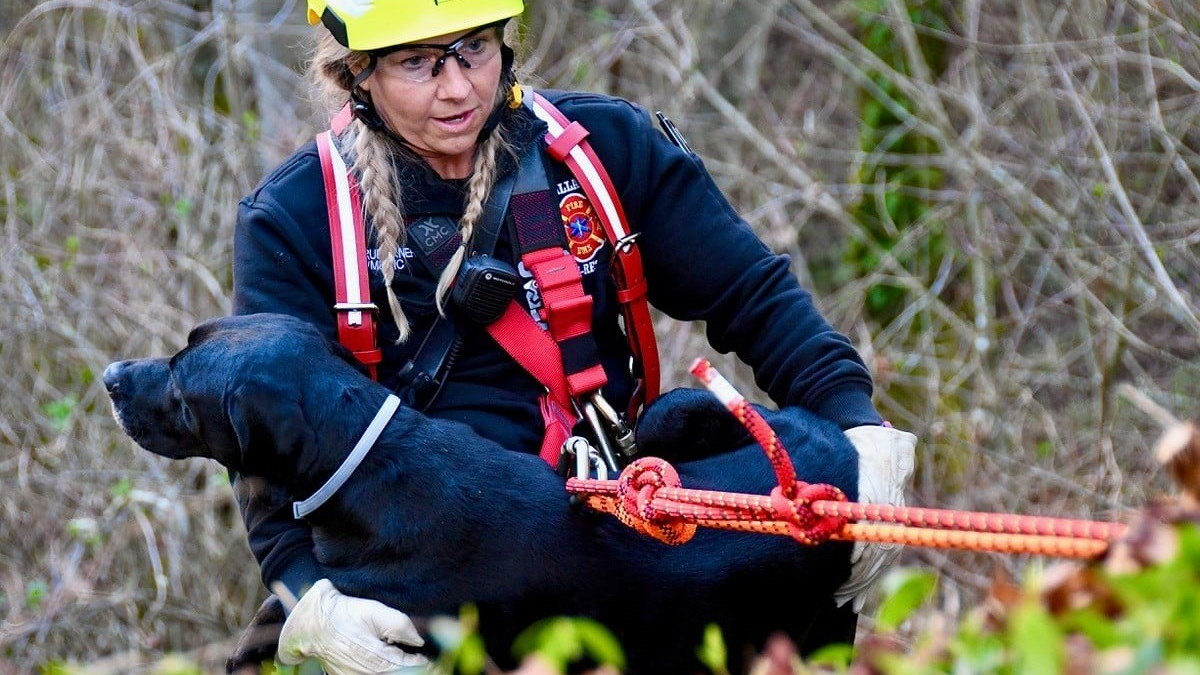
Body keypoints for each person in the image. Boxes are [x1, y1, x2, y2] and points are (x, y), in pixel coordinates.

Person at [229, 1, 918, 673]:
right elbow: (261, 432)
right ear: (358, 75)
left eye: (475, 48)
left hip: (607, 525)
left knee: (807, 481)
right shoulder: (297, 218)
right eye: (418, 63)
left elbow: (752, 294)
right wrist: (306, 593)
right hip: (413, 570)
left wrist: (857, 423)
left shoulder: (603, 153)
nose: (459, 86)